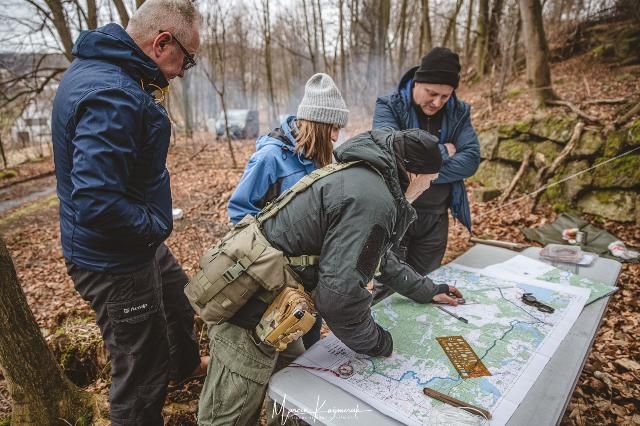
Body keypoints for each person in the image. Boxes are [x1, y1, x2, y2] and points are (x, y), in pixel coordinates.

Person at [197, 128, 463, 425]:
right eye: (430, 181)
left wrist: (426, 289)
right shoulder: (373, 199)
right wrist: (378, 342)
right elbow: (339, 299)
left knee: (292, 394)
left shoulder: (368, 178)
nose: (429, 188)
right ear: (414, 173)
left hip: (279, 309)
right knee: (228, 416)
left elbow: (376, 254)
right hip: (249, 310)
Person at [51, 1, 205, 424]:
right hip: (114, 257)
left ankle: (186, 365)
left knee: (178, 298)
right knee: (141, 371)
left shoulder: (111, 71)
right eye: (185, 60)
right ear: (161, 43)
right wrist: (155, 224)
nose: (180, 72)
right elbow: (95, 200)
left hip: (133, 241)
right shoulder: (114, 94)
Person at [227, 72, 348, 349]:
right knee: (283, 348)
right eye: (333, 127)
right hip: (277, 279)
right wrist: (272, 262)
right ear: (317, 124)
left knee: (311, 338)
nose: (336, 136)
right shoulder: (270, 157)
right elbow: (238, 211)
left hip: (311, 277)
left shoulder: (323, 158)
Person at [372, 47, 481, 302]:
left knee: (427, 288)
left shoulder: (459, 111)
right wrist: (443, 150)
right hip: (397, 213)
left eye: (445, 96)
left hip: (435, 218)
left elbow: (471, 160)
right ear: (417, 82)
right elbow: (390, 154)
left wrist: (420, 164)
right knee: (387, 288)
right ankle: (378, 340)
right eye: (432, 93)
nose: (437, 102)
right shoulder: (389, 105)